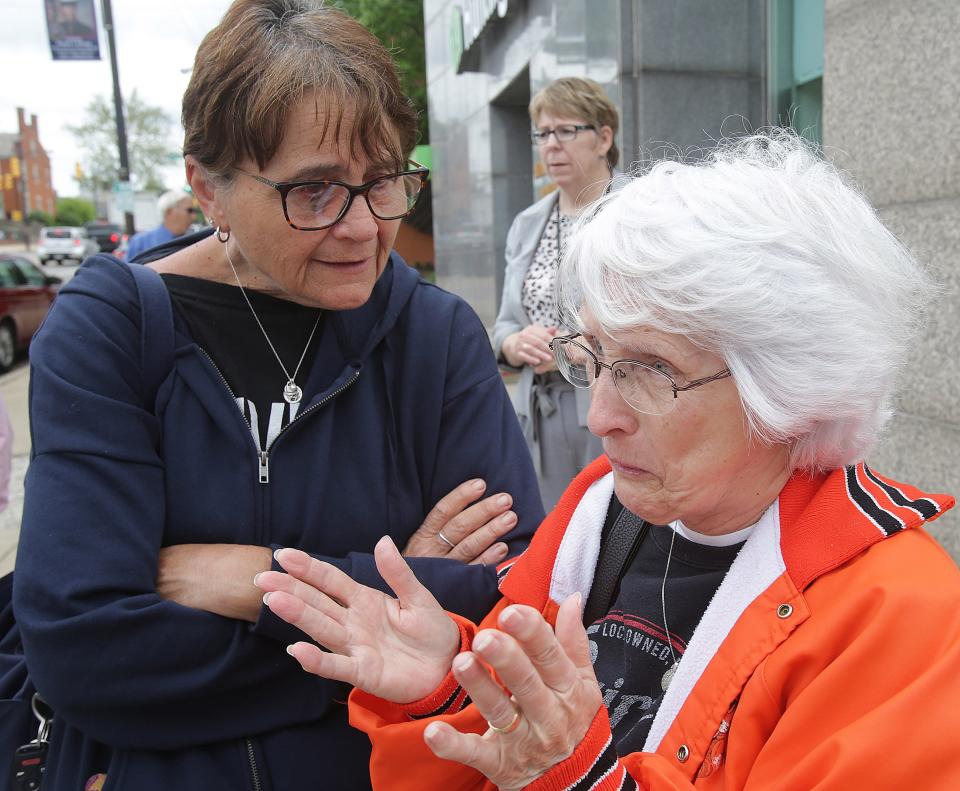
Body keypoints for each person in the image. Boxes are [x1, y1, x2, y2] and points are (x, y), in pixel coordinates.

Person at [257, 131, 960, 789]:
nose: (599, 418)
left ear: (788, 387)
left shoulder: (904, 622)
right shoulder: (599, 510)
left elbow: (558, 761)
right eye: (595, 357)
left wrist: (580, 773)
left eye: (652, 369)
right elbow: (512, 743)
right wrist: (452, 681)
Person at [13, 2, 543, 789]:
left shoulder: (434, 337)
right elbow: (86, 653)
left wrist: (245, 576)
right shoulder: (110, 335)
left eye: (385, 180)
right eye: (316, 192)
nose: (363, 227)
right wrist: (390, 621)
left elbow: (516, 601)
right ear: (209, 189)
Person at [494, 77, 618, 511]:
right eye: (544, 134)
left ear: (604, 138)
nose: (552, 145)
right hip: (539, 412)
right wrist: (513, 342)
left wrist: (588, 346)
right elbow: (505, 324)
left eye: (566, 131)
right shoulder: (528, 223)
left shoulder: (635, 212)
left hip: (613, 402)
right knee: (551, 534)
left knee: (613, 525)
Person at [125, 189, 196, 262]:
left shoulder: (195, 243)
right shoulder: (140, 243)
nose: (194, 216)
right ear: (169, 212)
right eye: (189, 211)